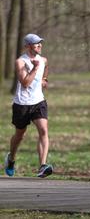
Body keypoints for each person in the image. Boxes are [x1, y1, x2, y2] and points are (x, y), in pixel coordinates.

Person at [5, 33, 53, 178]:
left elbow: (46, 66)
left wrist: (44, 79)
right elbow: (25, 83)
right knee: (20, 135)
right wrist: (35, 68)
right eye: (36, 43)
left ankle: (43, 166)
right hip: (22, 104)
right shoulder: (21, 62)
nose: (39, 45)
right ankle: (11, 158)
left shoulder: (43, 60)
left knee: (43, 130)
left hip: (38, 101)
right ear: (27, 46)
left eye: (40, 43)